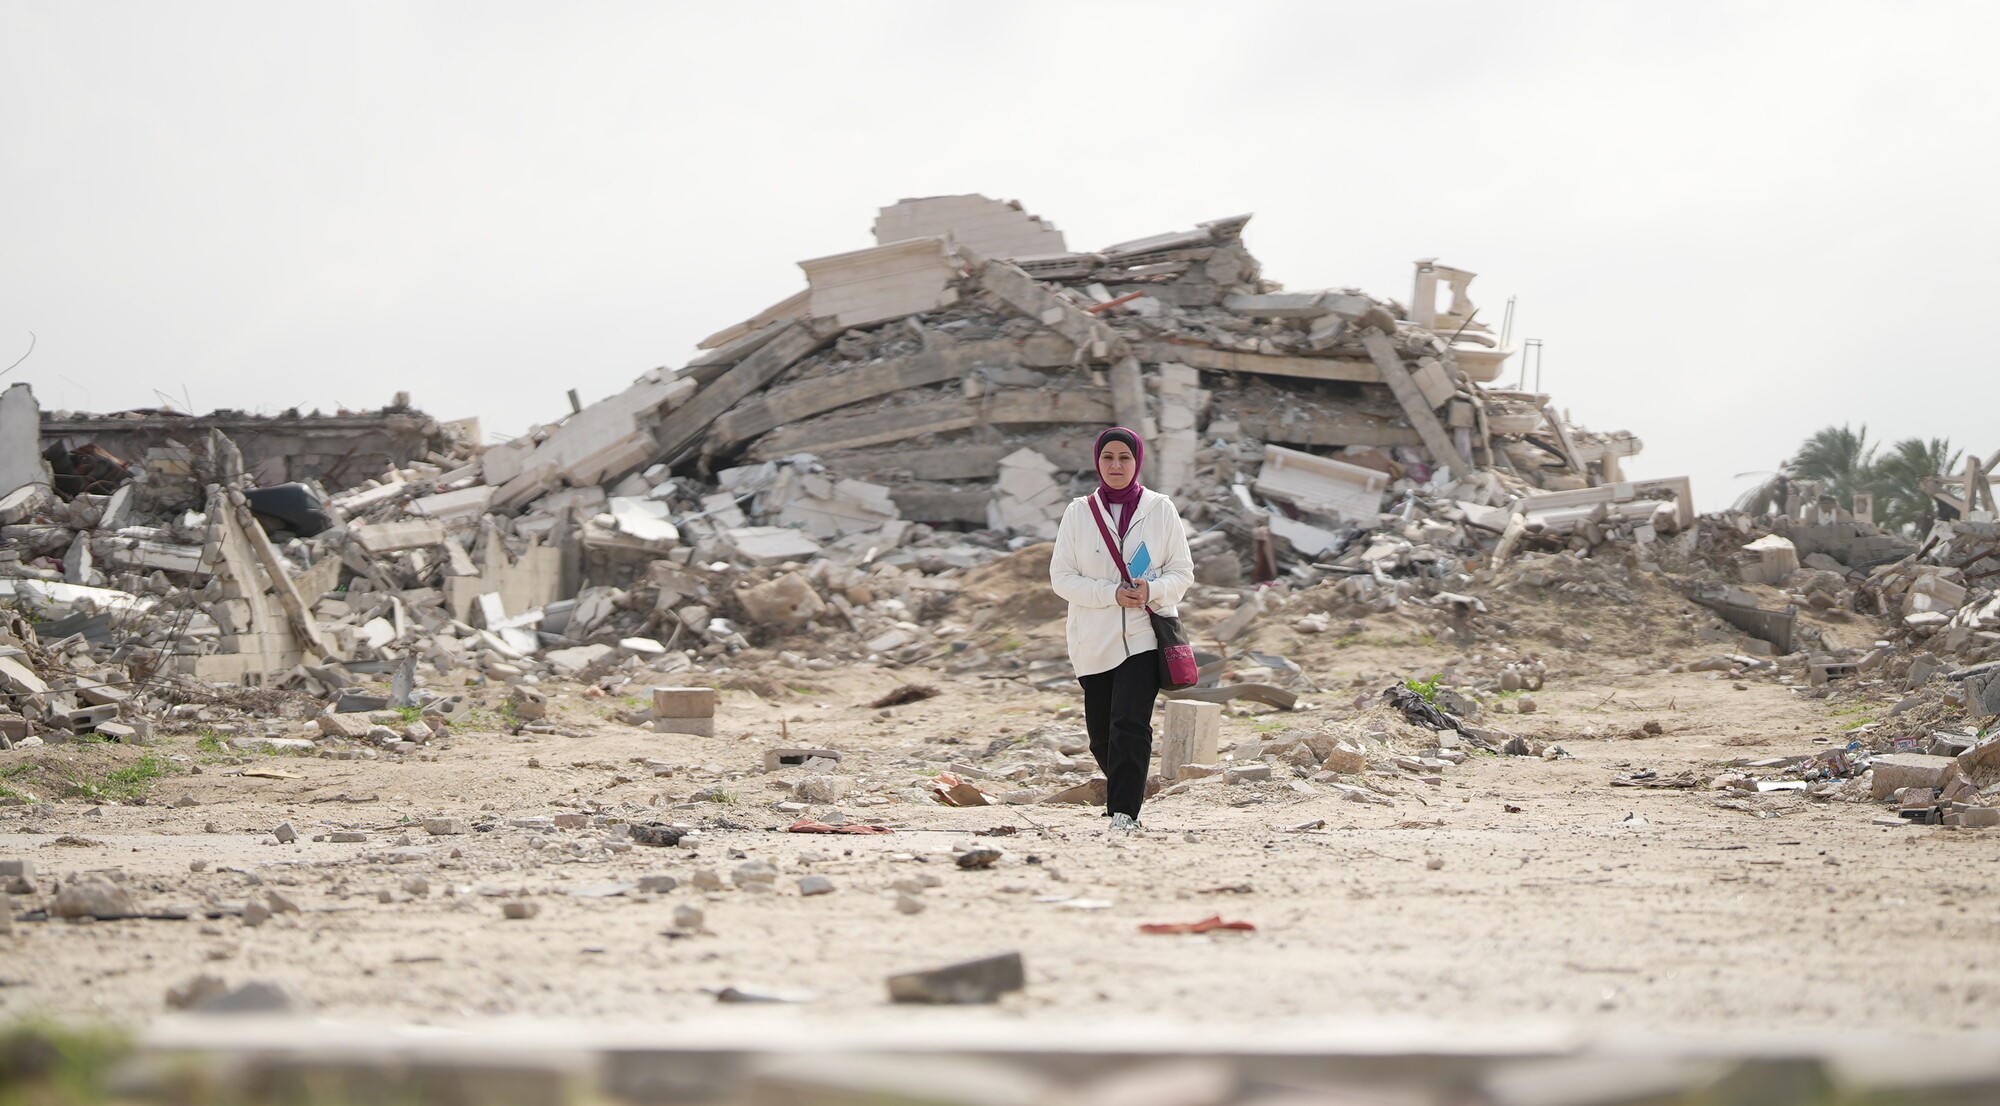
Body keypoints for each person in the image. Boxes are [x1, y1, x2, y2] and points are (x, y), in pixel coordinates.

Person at [1048, 427, 1195, 833]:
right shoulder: (1079, 512)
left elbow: (1182, 572)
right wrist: (1110, 594)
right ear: (1098, 461)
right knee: (1101, 735)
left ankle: (1124, 813)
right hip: (1093, 638)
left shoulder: (1160, 509)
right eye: (1108, 457)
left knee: (1130, 723)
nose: (1116, 465)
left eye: (1124, 458)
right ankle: (1124, 793)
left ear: (1138, 462)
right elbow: (1062, 578)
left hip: (1145, 635)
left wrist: (1153, 588)